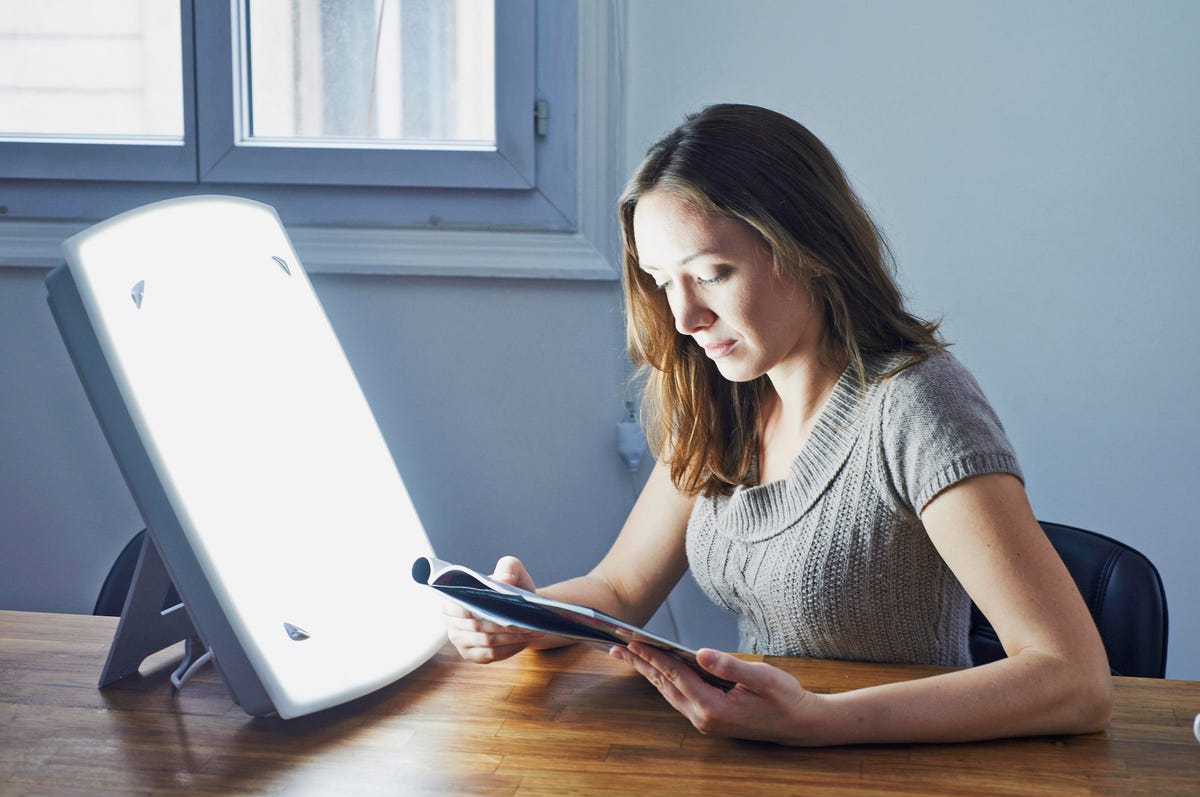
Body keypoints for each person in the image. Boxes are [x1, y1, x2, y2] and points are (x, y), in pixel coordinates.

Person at [444, 103, 1113, 746]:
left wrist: (819, 721)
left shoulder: (917, 405)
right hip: (769, 756)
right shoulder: (720, 401)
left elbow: (1075, 680)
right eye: (660, 280)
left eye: (711, 274)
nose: (684, 318)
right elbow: (620, 588)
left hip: (903, 768)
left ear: (806, 249)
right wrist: (521, 618)